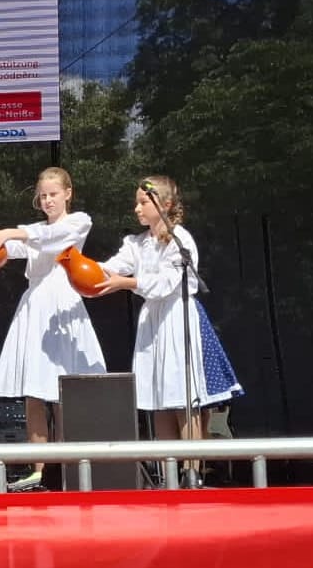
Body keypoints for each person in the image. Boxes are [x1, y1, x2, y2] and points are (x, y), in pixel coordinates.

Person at [0, 166, 106, 490]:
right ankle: (40, 469)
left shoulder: (78, 221)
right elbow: (11, 250)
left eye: (53, 194)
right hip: (35, 307)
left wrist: (8, 232)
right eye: (43, 196)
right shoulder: (33, 232)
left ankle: (65, 466)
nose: (48, 200)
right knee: (34, 392)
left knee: (62, 391)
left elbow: (48, 237)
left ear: (67, 194)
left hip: (62, 302)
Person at [94, 175, 221, 449]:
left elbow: (166, 283)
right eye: (136, 203)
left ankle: (191, 470)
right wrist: (78, 266)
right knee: (159, 399)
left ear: (166, 204)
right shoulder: (137, 243)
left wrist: (127, 283)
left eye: (143, 202)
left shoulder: (180, 240)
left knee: (183, 398)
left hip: (176, 318)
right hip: (153, 322)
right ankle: (169, 470)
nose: (137, 209)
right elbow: (111, 267)